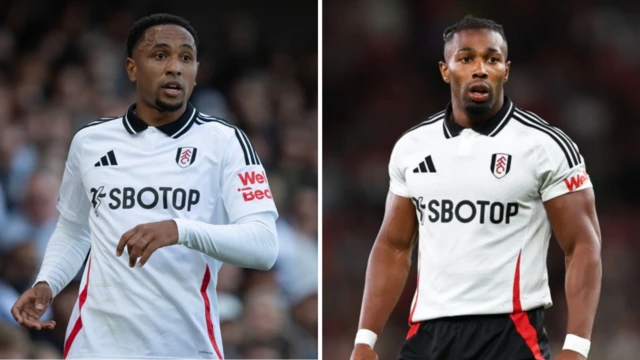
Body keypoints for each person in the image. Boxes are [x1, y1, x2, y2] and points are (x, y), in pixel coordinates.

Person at [11, 13, 279, 360]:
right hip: (95, 346)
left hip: (183, 346)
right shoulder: (89, 141)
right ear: (132, 68)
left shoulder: (225, 142)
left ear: (196, 72)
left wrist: (179, 230)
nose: (174, 68)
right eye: (160, 55)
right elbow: (74, 228)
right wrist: (48, 281)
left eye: (186, 57)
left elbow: (264, 245)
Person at [350, 15, 601, 360]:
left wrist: (576, 345)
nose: (480, 68)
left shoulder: (545, 145)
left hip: (509, 335)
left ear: (506, 70)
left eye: (492, 59)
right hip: (428, 336)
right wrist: (365, 338)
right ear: (445, 69)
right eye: (466, 58)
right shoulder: (412, 147)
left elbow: (583, 245)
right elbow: (393, 246)